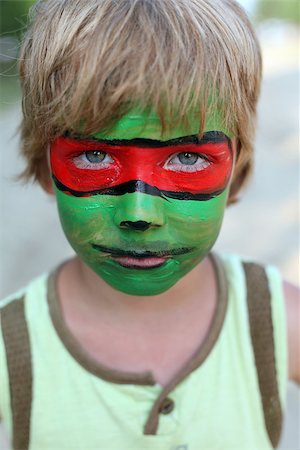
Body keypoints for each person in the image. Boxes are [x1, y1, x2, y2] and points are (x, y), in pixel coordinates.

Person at [0, 0, 299, 449]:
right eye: (94, 156)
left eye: (187, 158)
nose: (139, 213)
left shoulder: (279, 324)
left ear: (236, 173)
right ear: (46, 167)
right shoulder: (11, 350)